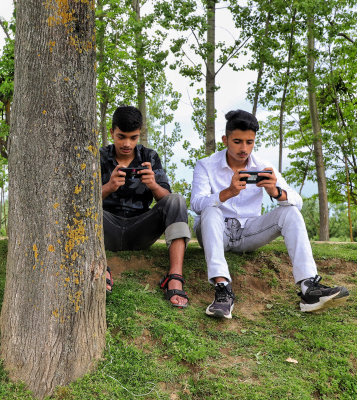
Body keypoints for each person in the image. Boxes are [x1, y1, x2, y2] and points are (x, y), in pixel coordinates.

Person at [190, 109, 349, 319]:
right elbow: (196, 204)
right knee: (210, 211)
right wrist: (227, 193)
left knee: (290, 211)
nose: (244, 148)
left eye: (249, 142)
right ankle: (222, 290)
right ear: (225, 140)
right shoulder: (206, 165)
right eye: (237, 141)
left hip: (249, 232)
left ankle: (309, 288)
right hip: (216, 233)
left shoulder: (263, 166)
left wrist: (275, 192)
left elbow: (297, 201)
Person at [101, 105, 192, 307]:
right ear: (112, 132)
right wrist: (108, 187)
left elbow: (168, 200)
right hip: (105, 229)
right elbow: (82, 204)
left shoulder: (150, 156)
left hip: (140, 230)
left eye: (133, 137)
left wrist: (153, 185)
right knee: (85, 209)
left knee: (177, 199)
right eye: (121, 137)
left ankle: (175, 277)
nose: (127, 143)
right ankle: (101, 268)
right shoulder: (99, 156)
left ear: (139, 134)